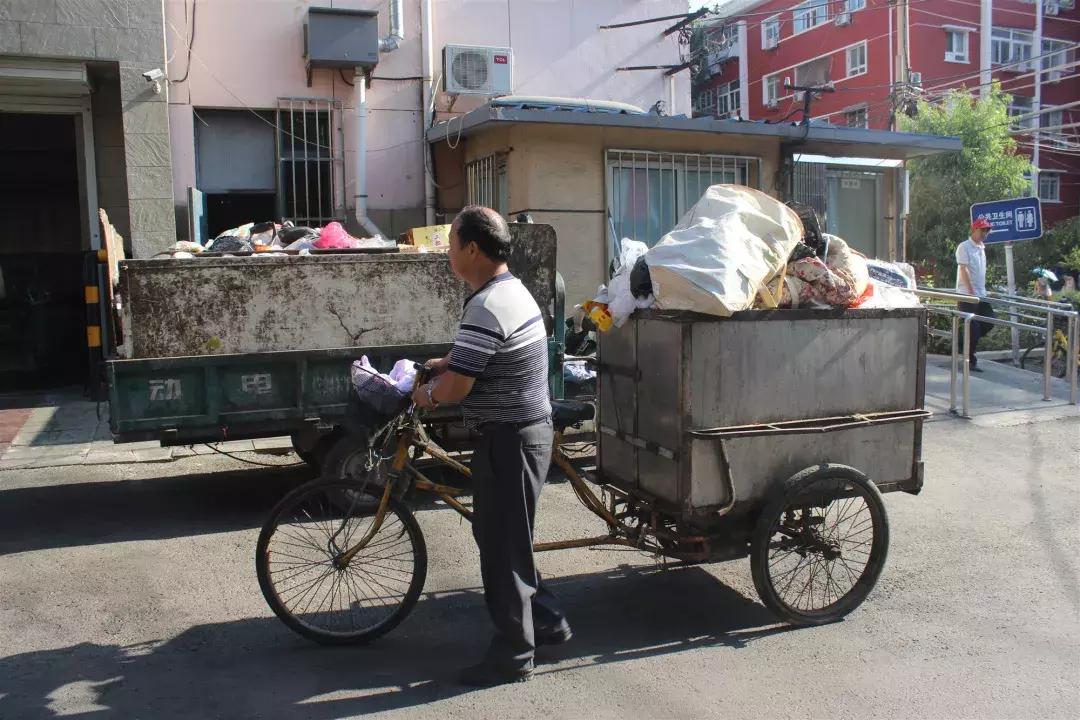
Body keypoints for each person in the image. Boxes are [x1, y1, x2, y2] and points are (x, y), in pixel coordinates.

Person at [411, 205, 570, 687]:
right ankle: (547, 621)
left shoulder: (486, 303)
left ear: (472, 250)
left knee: (501, 548)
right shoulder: (508, 290)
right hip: (520, 434)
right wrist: (446, 361)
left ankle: (514, 655)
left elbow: (458, 388)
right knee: (503, 538)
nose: (449, 253)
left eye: (452, 243)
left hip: (511, 439)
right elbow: (478, 356)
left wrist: (426, 394)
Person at [955, 217, 995, 372]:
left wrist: (984, 291)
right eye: (982, 230)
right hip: (967, 295)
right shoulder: (964, 247)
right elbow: (964, 270)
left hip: (981, 294)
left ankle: (963, 342)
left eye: (987, 230)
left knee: (989, 322)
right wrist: (971, 293)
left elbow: (979, 273)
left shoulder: (982, 247)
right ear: (974, 230)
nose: (985, 233)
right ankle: (971, 359)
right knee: (974, 327)